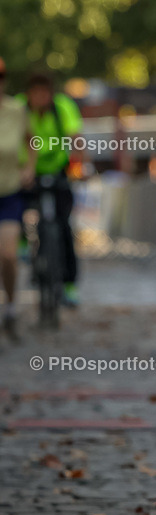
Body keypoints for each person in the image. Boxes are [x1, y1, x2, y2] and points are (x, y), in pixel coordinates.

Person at [17, 71, 83, 307]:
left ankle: (69, 284)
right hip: (25, 172)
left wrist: (79, 169)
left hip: (58, 171)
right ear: (28, 95)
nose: (41, 99)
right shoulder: (18, 109)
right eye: (36, 94)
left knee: (64, 227)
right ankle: (22, 244)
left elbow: (76, 139)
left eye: (45, 94)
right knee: (16, 210)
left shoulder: (62, 107)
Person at [0, 56, 36, 340]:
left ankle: (11, 305)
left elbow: (31, 142)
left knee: (8, 255)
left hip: (9, 192)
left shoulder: (16, 110)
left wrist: (29, 168)